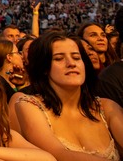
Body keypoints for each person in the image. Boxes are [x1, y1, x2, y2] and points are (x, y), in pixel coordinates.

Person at [14, 31, 123, 161]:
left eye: (77, 58)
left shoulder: (107, 107)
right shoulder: (29, 106)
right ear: (44, 68)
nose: (71, 63)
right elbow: (58, 155)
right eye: (59, 58)